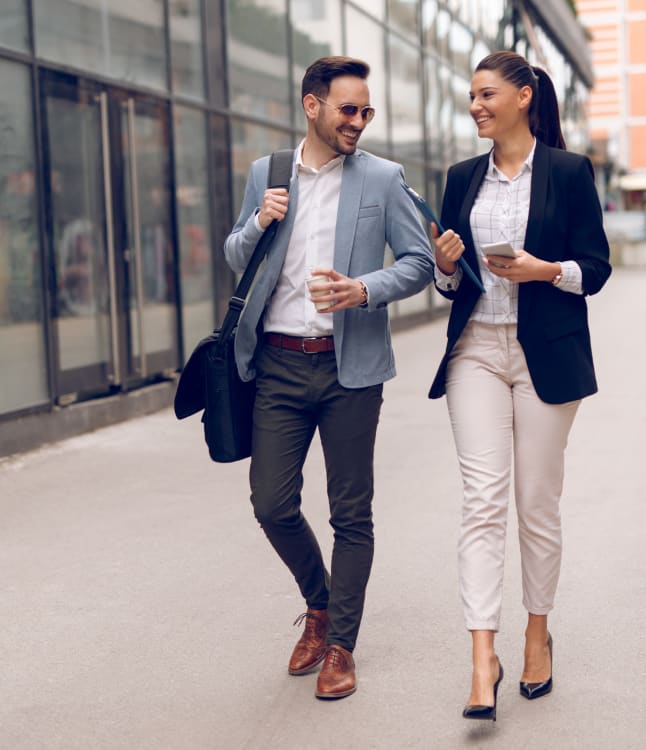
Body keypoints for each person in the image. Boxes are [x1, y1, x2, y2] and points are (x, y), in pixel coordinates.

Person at [224, 56, 433, 700]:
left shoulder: (383, 178)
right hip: (279, 365)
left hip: (350, 370)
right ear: (312, 106)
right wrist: (259, 221)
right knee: (271, 503)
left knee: (351, 512)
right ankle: (318, 603)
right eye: (349, 109)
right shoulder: (269, 173)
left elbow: (420, 261)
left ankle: (340, 643)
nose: (359, 121)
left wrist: (363, 289)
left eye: (366, 111)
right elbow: (237, 256)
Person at [428, 51, 611, 721]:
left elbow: (595, 269)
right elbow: (450, 285)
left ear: (524, 95)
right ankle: (483, 658)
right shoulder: (460, 178)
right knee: (482, 501)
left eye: (486, 94)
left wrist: (543, 270)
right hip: (475, 349)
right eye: (471, 96)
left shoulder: (567, 172)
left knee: (536, 502)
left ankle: (537, 633)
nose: (476, 105)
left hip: (545, 358)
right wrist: (446, 267)